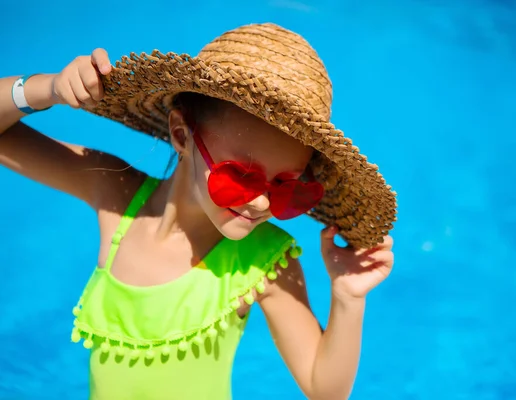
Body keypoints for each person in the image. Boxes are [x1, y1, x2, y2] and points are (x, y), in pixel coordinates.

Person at [0, 23, 397, 400]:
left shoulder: (263, 262)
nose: (260, 202)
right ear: (180, 135)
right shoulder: (115, 195)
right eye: (242, 175)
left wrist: (347, 299)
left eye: (286, 186)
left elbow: (322, 387)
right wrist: (47, 88)